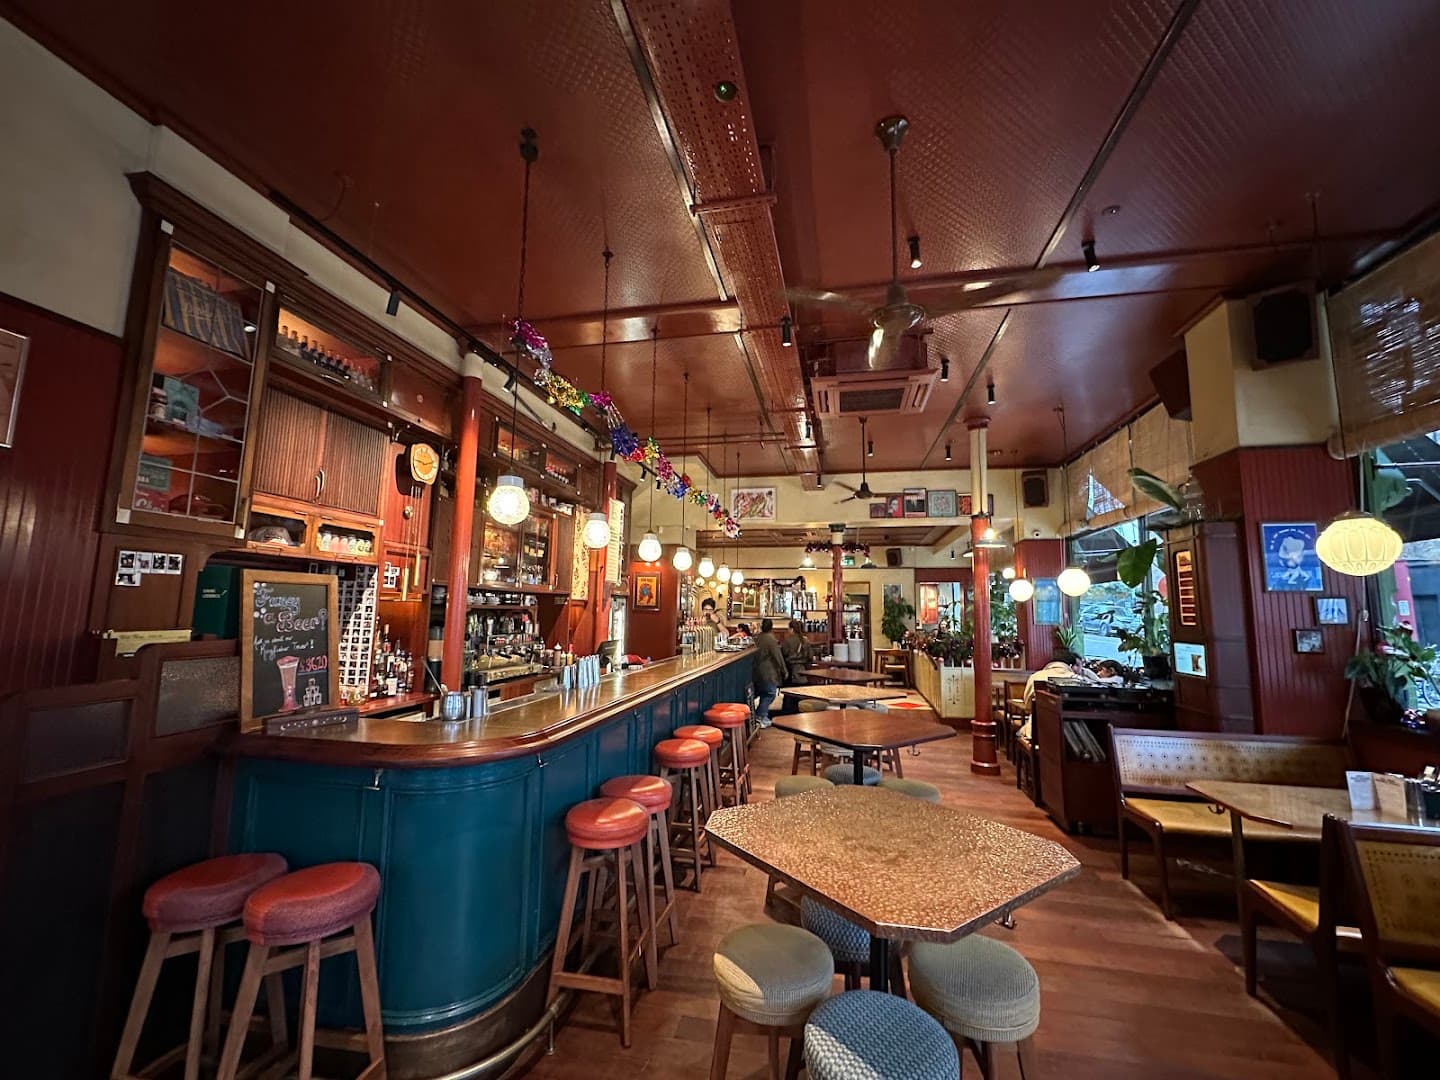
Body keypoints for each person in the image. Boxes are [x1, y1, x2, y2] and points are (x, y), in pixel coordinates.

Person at [751, 617, 786, 728]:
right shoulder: (770, 639)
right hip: (768, 672)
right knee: (769, 693)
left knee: (759, 693)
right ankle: (760, 716)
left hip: (755, 671)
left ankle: (758, 716)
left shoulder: (757, 638)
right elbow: (778, 656)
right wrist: (784, 670)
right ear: (771, 627)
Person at [779, 618, 811, 686]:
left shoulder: (788, 641)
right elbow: (810, 656)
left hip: (791, 671)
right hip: (803, 670)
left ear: (792, 629)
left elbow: (783, 654)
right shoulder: (805, 640)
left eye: (789, 629)